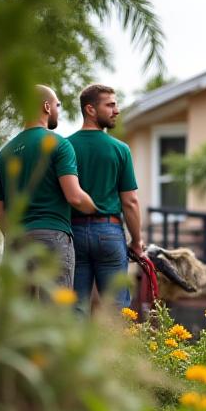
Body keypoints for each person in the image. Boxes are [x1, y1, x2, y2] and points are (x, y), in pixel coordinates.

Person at [0, 85, 98, 290]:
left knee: (20, 317)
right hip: (53, 237)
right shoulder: (59, 144)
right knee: (55, 315)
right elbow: (75, 197)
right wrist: (96, 208)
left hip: (16, 242)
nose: (59, 110)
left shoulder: (4, 153)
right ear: (47, 107)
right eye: (58, 105)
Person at [67, 84, 143, 314]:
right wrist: (137, 242)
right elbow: (130, 201)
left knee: (76, 308)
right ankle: (116, 350)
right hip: (108, 233)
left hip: (74, 232)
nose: (116, 110)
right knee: (116, 309)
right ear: (90, 109)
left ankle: (75, 351)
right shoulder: (120, 149)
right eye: (110, 105)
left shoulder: (65, 147)